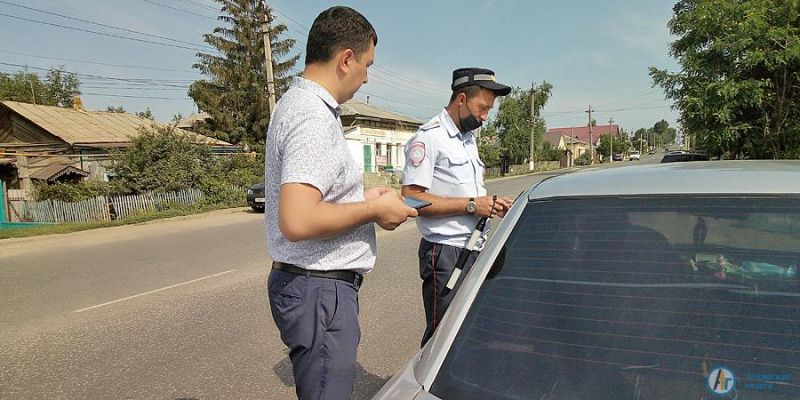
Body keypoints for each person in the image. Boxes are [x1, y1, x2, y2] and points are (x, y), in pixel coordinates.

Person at [264, 6, 418, 399]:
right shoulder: (311, 116)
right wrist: (374, 210)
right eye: (367, 65)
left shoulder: (299, 105)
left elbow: (316, 196)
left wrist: (361, 198)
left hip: (316, 287)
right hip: (319, 288)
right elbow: (297, 219)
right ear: (346, 58)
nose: (366, 78)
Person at [402, 68, 515, 347]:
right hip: (445, 253)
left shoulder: (468, 138)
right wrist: (472, 205)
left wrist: (490, 205)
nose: (486, 117)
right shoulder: (429, 138)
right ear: (462, 99)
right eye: (483, 108)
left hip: (473, 248)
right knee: (443, 336)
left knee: (469, 329)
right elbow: (411, 198)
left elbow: (466, 195)